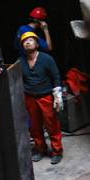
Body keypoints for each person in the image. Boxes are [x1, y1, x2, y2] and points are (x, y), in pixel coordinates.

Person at [16, 31, 65, 166]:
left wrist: (57, 94)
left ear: (37, 44)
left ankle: (57, 151)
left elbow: (56, 76)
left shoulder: (46, 59)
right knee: (34, 126)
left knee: (52, 124)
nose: (27, 42)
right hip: (30, 98)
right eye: (24, 41)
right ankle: (40, 149)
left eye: (31, 40)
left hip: (46, 97)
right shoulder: (20, 61)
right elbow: (18, 79)